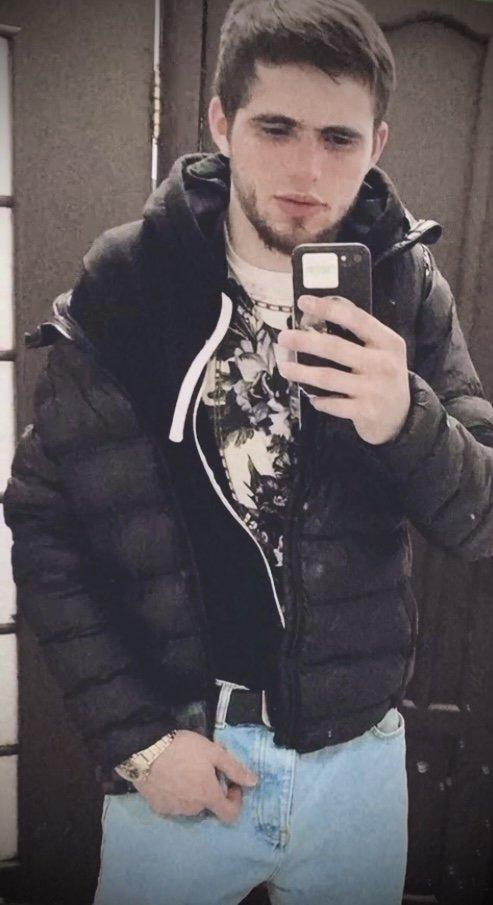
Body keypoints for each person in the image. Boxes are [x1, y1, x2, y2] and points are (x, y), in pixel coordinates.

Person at [4, 0, 493, 902]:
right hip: (187, 755)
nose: (308, 169)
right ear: (222, 122)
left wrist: (405, 418)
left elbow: (480, 520)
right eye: (276, 128)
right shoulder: (131, 282)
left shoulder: (404, 285)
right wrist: (138, 742)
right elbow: (43, 523)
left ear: (377, 144)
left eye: (339, 139)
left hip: (357, 766)